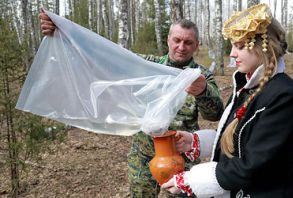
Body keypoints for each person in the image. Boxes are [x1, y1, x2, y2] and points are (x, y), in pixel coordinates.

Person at [39, 9, 224, 197]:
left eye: (188, 42)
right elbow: (108, 56)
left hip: (180, 158)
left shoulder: (200, 76)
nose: (181, 47)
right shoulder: (147, 67)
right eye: (177, 40)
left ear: (196, 46)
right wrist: (65, 35)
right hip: (143, 155)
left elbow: (215, 114)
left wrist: (202, 92)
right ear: (168, 40)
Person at [161, 3, 293, 198]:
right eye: (232, 46)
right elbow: (242, 138)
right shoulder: (247, 86)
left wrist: (191, 180)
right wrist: (195, 141)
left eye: (239, 46)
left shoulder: (285, 97)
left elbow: (254, 163)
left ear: (262, 46)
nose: (232, 54)